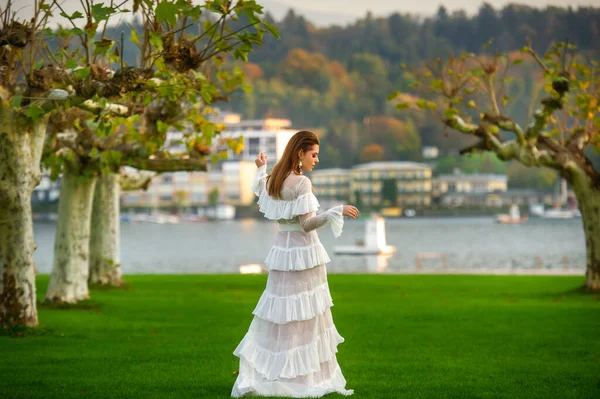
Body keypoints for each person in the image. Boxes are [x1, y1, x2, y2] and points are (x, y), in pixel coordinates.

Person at [231, 130, 358, 397]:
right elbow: (307, 224)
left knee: (282, 317)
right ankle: (304, 378)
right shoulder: (302, 183)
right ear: (300, 153)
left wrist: (261, 167)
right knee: (307, 317)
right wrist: (336, 211)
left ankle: (278, 373)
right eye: (314, 154)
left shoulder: (275, 179)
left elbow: (260, 185)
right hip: (304, 255)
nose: (317, 160)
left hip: (282, 253)